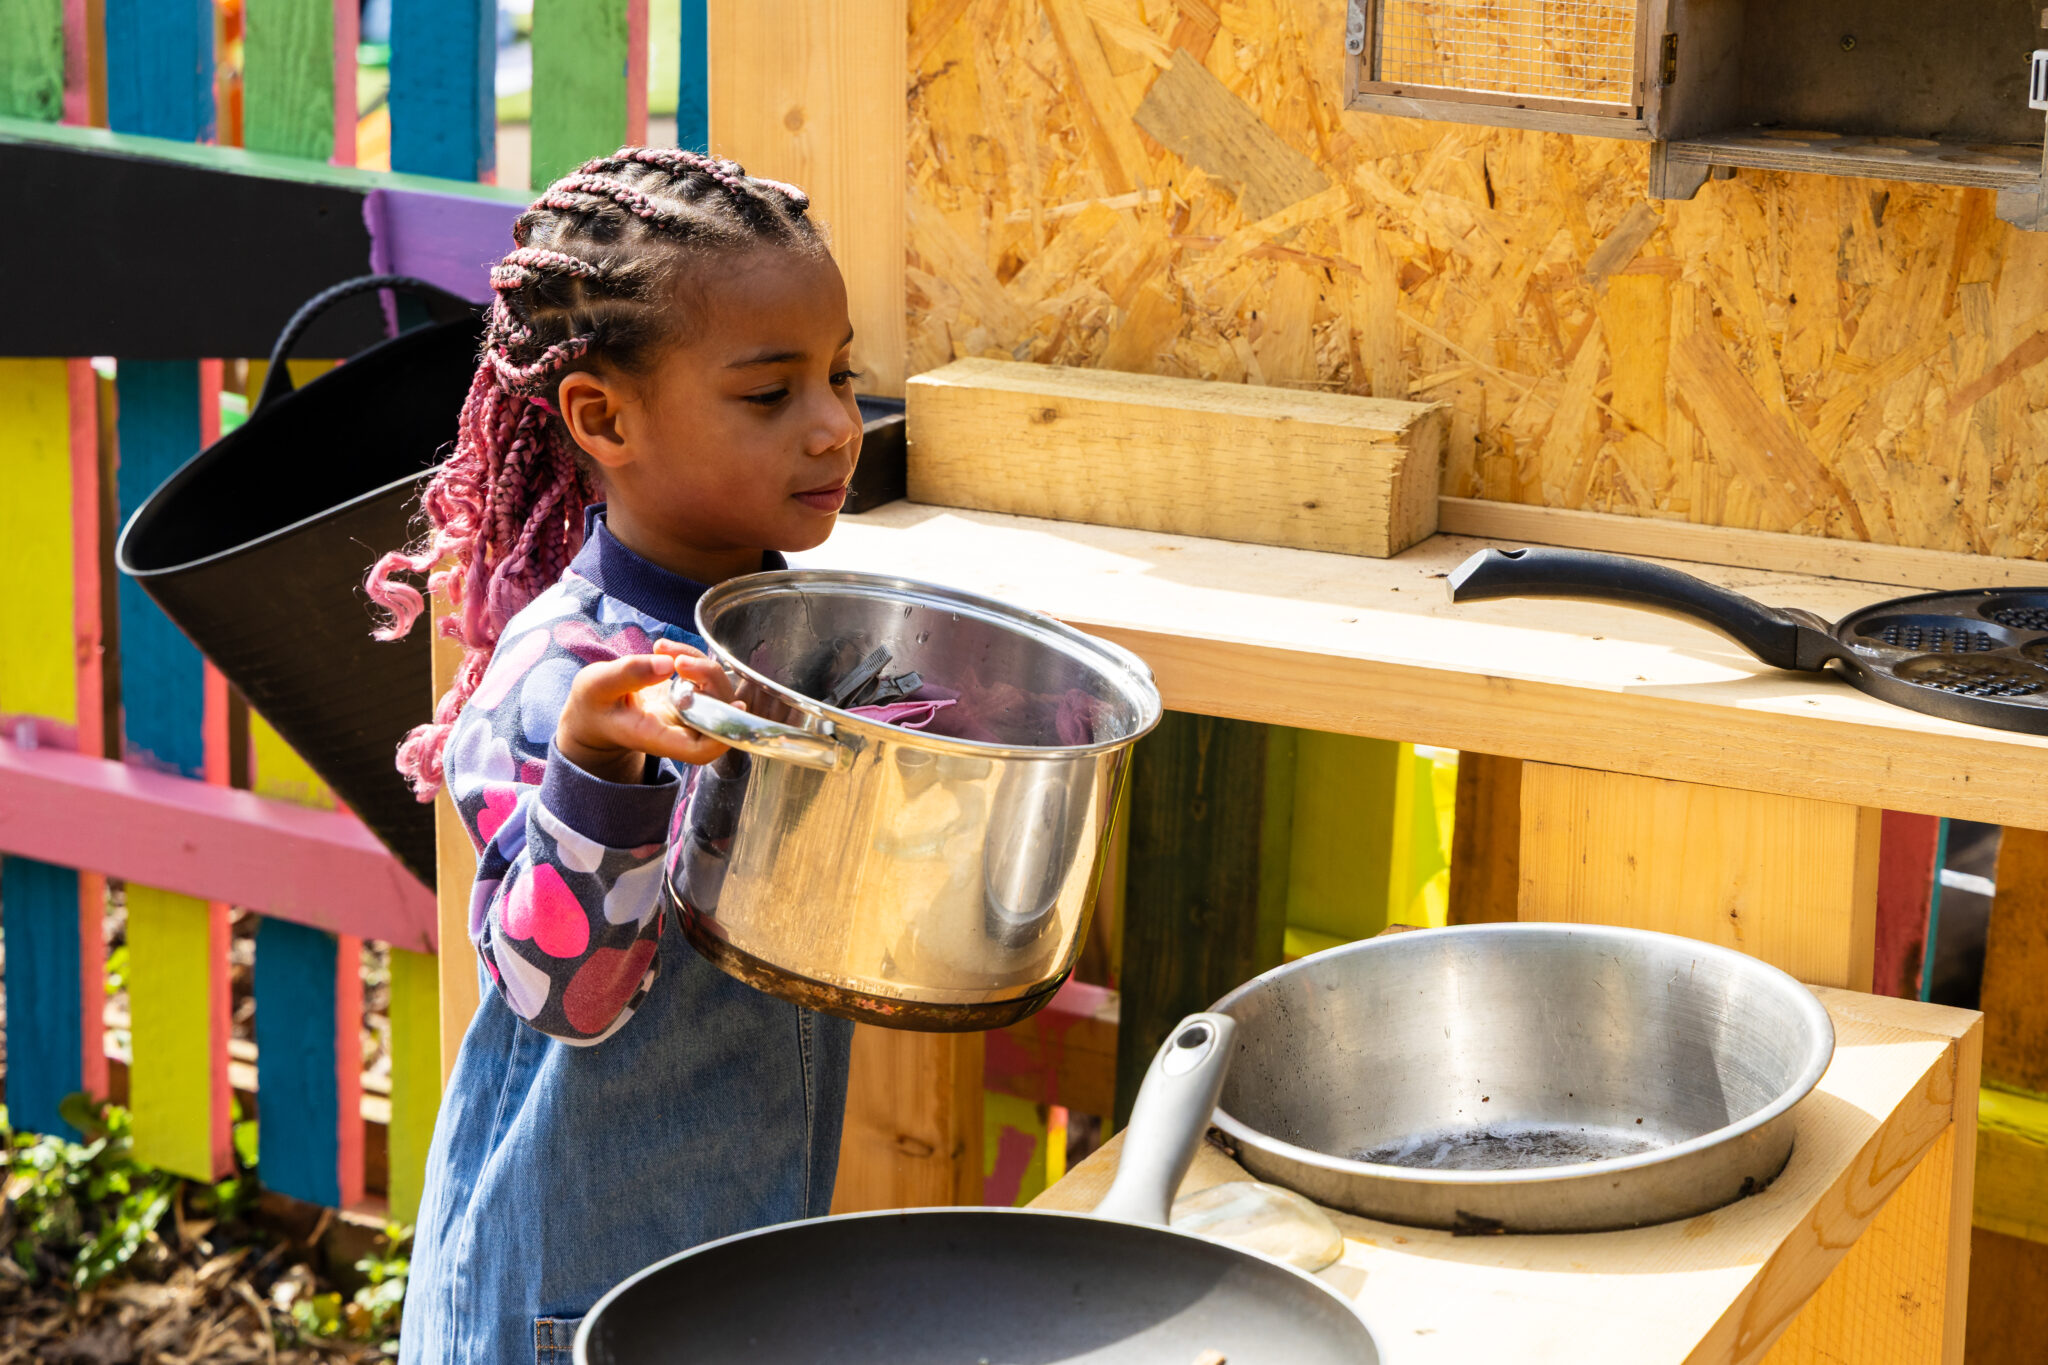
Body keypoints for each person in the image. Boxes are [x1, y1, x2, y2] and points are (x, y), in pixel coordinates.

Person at [365, 147, 862, 1365]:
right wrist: (598, 776)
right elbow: (564, 998)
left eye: (841, 375)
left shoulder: (778, 628)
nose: (836, 426)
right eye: (770, 394)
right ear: (601, 416)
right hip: (567, 1298)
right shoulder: (567, 682)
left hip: (730, 1256)